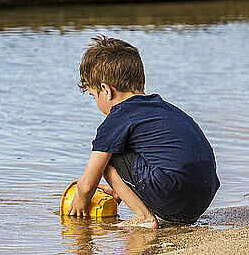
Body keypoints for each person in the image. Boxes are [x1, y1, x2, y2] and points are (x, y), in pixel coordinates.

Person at [67, 35, 220, 228]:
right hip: (202, 197)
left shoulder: (120, 114)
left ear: (106, 90)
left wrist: (81, 200)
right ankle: (153, 212)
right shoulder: (165, 109)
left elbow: (88, 183)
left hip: (172, 190)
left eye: (92, 96)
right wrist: (121, 189)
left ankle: (144, 217)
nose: (95, 102)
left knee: (108, 155)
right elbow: (168, 156)